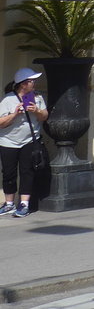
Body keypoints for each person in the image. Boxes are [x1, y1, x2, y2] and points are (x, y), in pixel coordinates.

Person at [0, 68, 48, 219]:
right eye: (31, 81)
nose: (34, 83)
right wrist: (14, 114)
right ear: (23, 84)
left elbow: (44, 116)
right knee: (9, 173)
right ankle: (9, 203)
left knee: (27, 172)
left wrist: (37, 111)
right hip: (8, 142)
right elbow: (1, 123)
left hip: (29, 141)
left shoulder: (37, 97)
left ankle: (24, 204)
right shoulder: (8, 100)